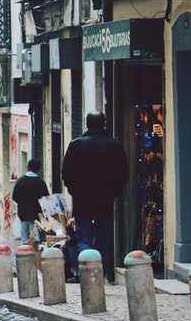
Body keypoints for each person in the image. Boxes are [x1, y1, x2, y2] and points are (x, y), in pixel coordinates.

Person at [61, 111, 129, 283]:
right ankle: (101, 274)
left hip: (82, 200)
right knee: (103, 238)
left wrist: (74, 190)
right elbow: (124, 173)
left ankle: (86, 272)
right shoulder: (115, 146)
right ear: (104, 124)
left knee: (83, 237)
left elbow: (66, 173)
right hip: (105, 199)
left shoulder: (76, 145)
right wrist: (114, 191)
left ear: (87, 124)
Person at [12, 158, 49, 245]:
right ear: (39, 169)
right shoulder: (40, 182)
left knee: (24, 239)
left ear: (27, 167)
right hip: (36, 216)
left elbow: (14, 197)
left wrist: (22, 203)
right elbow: (46, 199)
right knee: (35, 239)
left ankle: (24, 255)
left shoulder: (20, 181)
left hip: (23, 214)